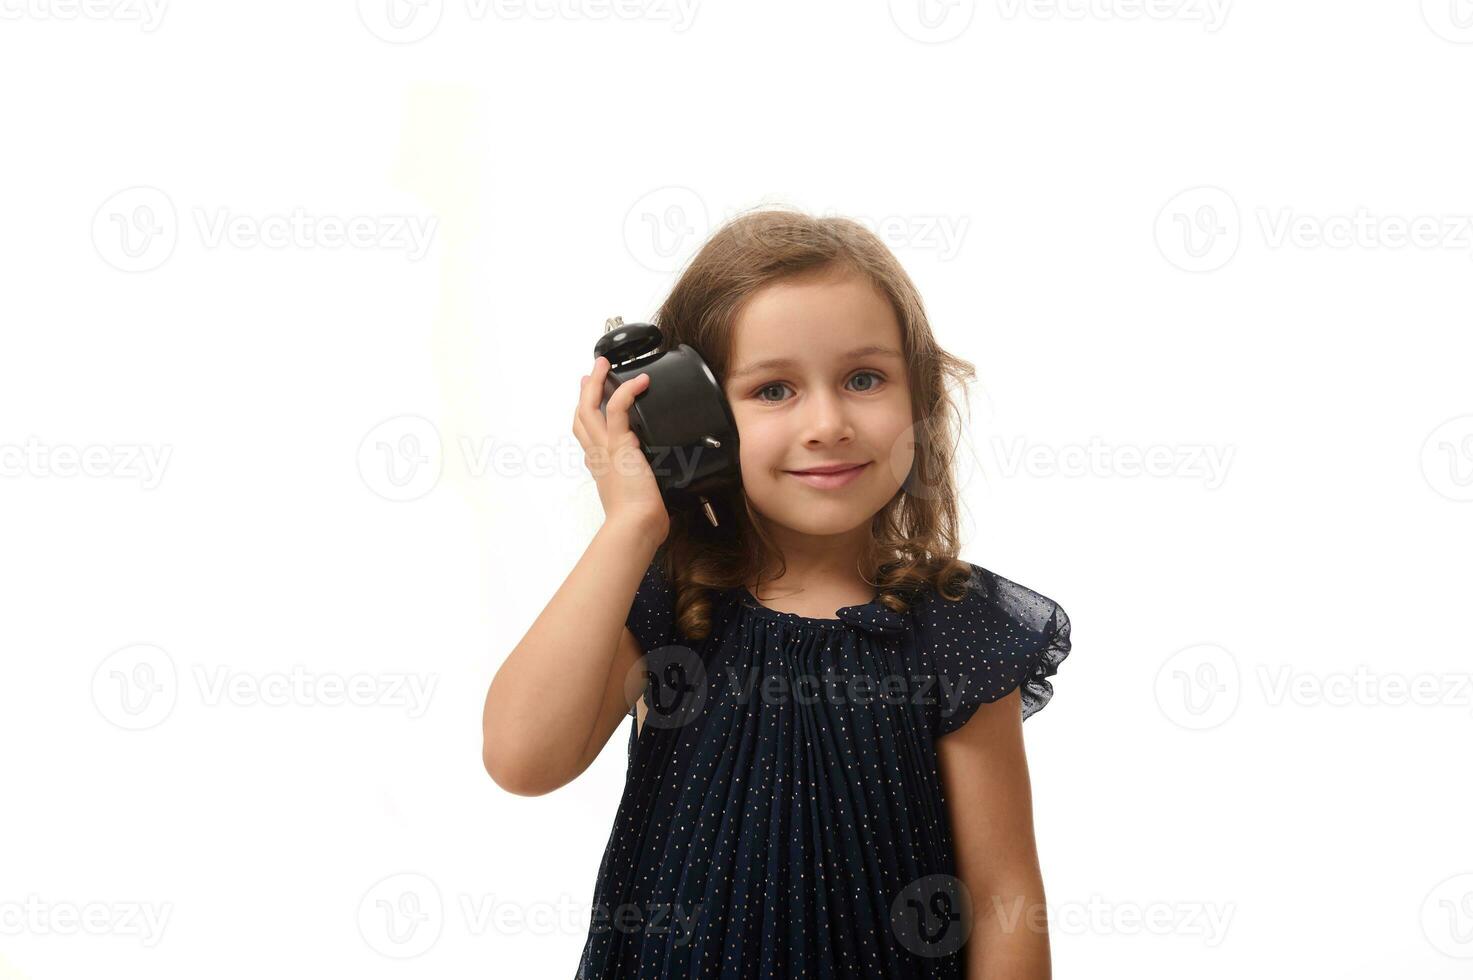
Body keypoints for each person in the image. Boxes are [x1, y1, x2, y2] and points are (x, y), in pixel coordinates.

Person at [482, 206, 1073, 978]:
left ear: (918, 396)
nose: (827, 423)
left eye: (864, 379)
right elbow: (522, 759)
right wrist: (630, 523)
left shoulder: (954, 629)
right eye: (773, 390)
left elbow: (1001, 893)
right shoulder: (667, 604)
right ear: (687, 414)